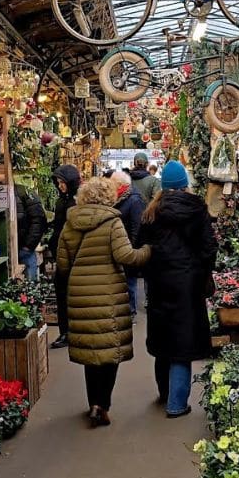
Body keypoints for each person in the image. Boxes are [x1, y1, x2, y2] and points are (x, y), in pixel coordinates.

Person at [56, 178, 151, 426]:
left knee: (90, 352)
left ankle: (93, 403)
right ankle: (103, 404)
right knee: (109, 352)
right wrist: (148, 251)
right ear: (109, 197)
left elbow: (62, 266)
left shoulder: (70, 224)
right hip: (108, 294)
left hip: (79, 294)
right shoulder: (112, 222)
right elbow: (126, 255)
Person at [139, 161, 217, 418]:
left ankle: (165, 394)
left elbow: (141, 247)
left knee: (163, 341)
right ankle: (177, 403)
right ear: (184, 185)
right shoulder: (197, 210)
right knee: (182, 343)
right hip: (188, 285)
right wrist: (203, 274)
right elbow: (208, 248)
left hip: (160, 284)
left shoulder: (151, 213)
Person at [49, 164, 81, 349]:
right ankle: (65, 332)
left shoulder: (76, 202)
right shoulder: (61, 202)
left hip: (74, 257)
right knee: (62, 294)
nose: (60, 186)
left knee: (73, 296)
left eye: (63, 182)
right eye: (58, 182)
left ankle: (74, 331)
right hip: (61, 256)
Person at [110, 170, 146, 322]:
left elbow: (136, 227)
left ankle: (130, 310)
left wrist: (131, 248)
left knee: (129, 280)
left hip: (129, 247)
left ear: (120, 185)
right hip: (121, 246)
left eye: (112, 183)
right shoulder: (120, 198)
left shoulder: (134, 200)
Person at [14, 184, 47, 281]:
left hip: (24, 249)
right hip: (10, 250)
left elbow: (39, 219)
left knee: (29, 286)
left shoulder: (24, 192)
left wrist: (28, 246)